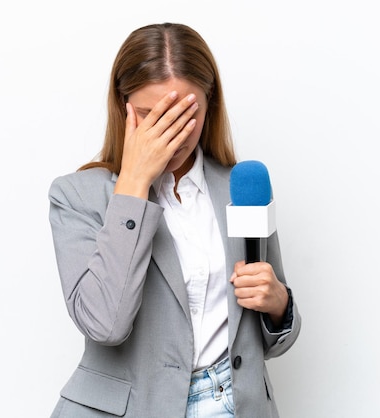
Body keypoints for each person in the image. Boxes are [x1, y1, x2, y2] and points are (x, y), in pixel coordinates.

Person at [48, 22, 301, 418]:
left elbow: (273, 336)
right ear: (123, 106)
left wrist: (278, 304)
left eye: (185, 114)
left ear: (209, 104)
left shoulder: (240, 187)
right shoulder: (77, 195)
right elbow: (103, 325)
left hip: (235, 405)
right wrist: (133, 183)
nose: (171, 133)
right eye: (151, 115)